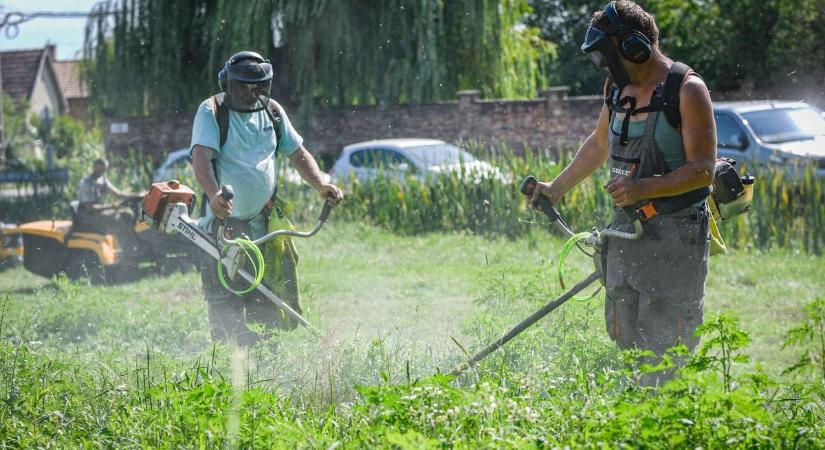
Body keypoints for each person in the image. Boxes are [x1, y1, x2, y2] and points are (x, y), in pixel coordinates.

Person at [530, 1, 716, 385]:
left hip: (675, 238)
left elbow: (702, 171)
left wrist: (641, 188)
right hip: (627, 232)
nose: (603, 65)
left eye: (607, 54)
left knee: (667, 343)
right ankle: (636, 416)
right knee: (626, 334)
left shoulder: (687, 90)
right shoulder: (616, 89)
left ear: (635, 46)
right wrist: (556, 188)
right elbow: (599, 146)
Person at [190, 50, 343, 347]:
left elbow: (298, 153)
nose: (252, 93)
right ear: (227, 83)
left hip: (264, 225)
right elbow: (201, 157)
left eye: (258, 87)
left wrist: (320, 183)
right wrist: (213, 195)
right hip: (224, 229)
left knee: (268, 303)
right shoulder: (212, 111)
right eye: (244, 87)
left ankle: (268, 366)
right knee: (226, 307)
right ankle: (228, 371)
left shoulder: (272, 112)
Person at [76, 158, 142, 254]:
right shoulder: (86, 184)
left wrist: (138, 195)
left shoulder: (102, 180)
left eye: (103, 170)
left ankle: (135, 245)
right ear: (94, 168)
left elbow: (118, 194)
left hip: (98, 212)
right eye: (99, 170)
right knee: (117, 219)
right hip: (87, 216)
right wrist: (111, 206)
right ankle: (127, 251)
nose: (101, 172)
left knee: (127, 215)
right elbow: (89, 208)